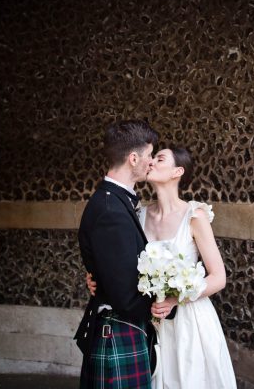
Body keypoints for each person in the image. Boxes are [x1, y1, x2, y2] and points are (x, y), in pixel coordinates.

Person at [87, 146, 237, 389]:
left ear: (177, 171)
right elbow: (120, 263)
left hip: (189, 322)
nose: (152, 162)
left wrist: (175, 298)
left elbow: (219, 277)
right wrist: (97, 278)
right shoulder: (139, 215)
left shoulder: (195, 216)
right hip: (148, 321)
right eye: (152, 157)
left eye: (160, 158)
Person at [74, 119, 160, 389]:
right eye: (149, 155)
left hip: (122, 329)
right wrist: (164, 306)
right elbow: (124, 294)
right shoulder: (111, 209)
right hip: (119, 330)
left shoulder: (115, 201)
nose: (151, 163)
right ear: (133, 158)